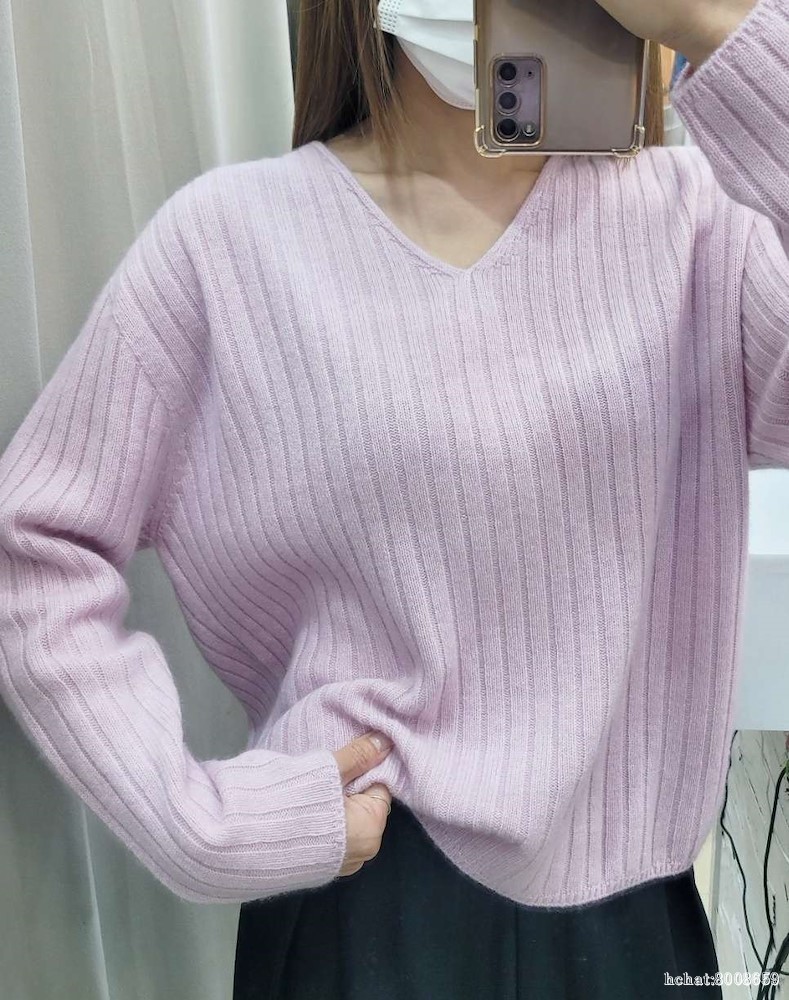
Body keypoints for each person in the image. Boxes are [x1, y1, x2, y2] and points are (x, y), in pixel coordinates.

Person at [0, 0, 786, 996]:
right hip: (363, 891)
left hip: (633, 911)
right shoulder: (228, 244)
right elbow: (34, 548)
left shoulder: (700, 227)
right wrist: (193, 823)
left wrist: (719, 27)